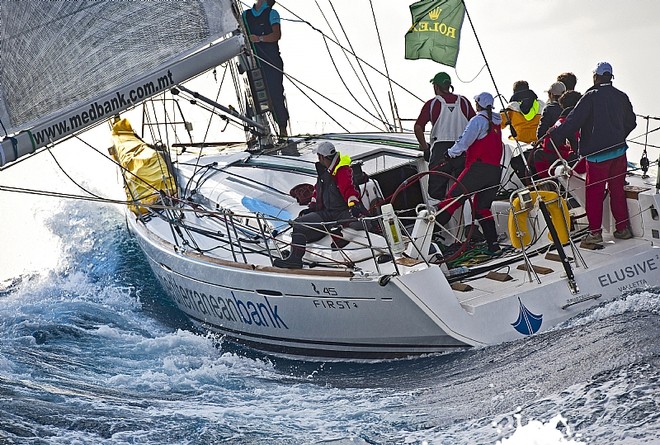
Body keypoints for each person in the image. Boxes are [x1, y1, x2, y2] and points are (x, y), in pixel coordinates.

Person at [548, 62, 637, 247]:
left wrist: (554, 135)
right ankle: (623, 229)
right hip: (620, 153)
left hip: (597, 157)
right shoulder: (621, 96)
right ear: (610, 77)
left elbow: (573, 122)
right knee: (617, 190)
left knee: (594, 195)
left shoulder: (590, 97)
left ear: (596, 76)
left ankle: (595, 234)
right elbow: (632, 122)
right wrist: (619, 136)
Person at [273, 142, 367, 268]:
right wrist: (311, 208)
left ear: (322, 157)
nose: (318, 159)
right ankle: (296, 254)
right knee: (299, 223)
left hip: (337, 214)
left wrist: (353, 204)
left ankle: (295, 260)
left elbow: (349, 189)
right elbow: (317, 190)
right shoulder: (326, 172)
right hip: (328, 212)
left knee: (299, 225)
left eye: (318, 156)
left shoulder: (341, 170)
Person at [436, 92, 504, 253]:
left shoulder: (478, 121)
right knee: (482, 208)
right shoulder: (496, 123)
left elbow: (464, 142)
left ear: (478, 104)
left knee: (452, 200)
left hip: (477, 170)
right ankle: (494, 246)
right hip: (495, 172)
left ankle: (427, 240)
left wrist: (449, 154)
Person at [414, 72, 476, 200]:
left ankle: (441, 216)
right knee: (465, 189)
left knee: (436, 193)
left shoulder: (432, 104)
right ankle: (465, 213)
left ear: (436, 87)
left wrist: (425, 148)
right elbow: (476, 125)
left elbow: (418, 127)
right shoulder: (464, 102)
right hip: (463, 149)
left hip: (440, 150)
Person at [243, 0, 289, 139]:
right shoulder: (245, 15)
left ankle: (282, 129)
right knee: (252, 95)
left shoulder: (272, 13)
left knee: (275, 93)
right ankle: (255, 130)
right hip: (253, 61)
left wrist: (259, 38)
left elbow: (276, 35)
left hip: (271, 60)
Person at [533, 90, 585, 178]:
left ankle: (550, 183)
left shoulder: (563, 122)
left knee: (538, 154)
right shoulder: (589, 117)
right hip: (595, 158)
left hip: (579, 163)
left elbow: (549, 144)